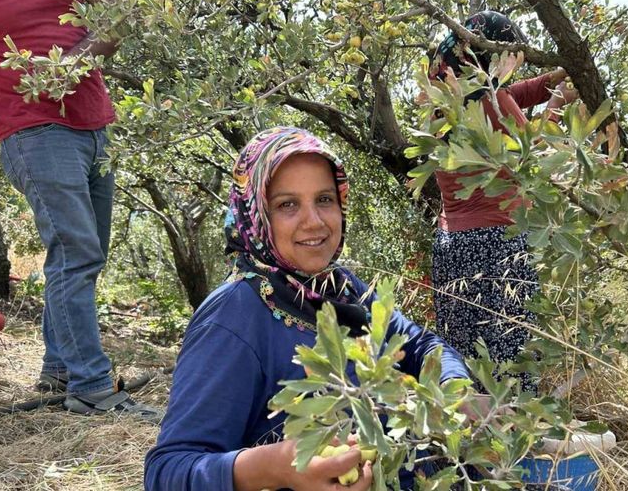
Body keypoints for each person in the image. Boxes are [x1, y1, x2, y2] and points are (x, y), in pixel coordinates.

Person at [144, 127, 470, 491]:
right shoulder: (234, 317)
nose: (314, 222)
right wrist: (275, 467)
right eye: (288, 205)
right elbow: (168, 472)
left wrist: (454, 386)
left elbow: (420, 345)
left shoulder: (341, 289)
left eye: (325, 200)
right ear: (255, 215)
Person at [0, 0, 159, 419]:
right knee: (77, 253)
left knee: (84, 254)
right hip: (32, 133)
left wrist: (73, 63)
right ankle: (92, 388)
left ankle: (60, 369)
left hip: (96, 126)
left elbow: (116, 18)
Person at [427, 11, 578, 391]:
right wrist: (558, 102)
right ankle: (512, 442)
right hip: (495, 247)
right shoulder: (490, 102)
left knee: (467, 363)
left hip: (453, 248)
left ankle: (471, 444)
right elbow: (537, 159)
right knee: (508, 364)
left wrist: (550, 81)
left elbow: (511, 93)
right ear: (490, 57)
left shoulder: (452, 94)